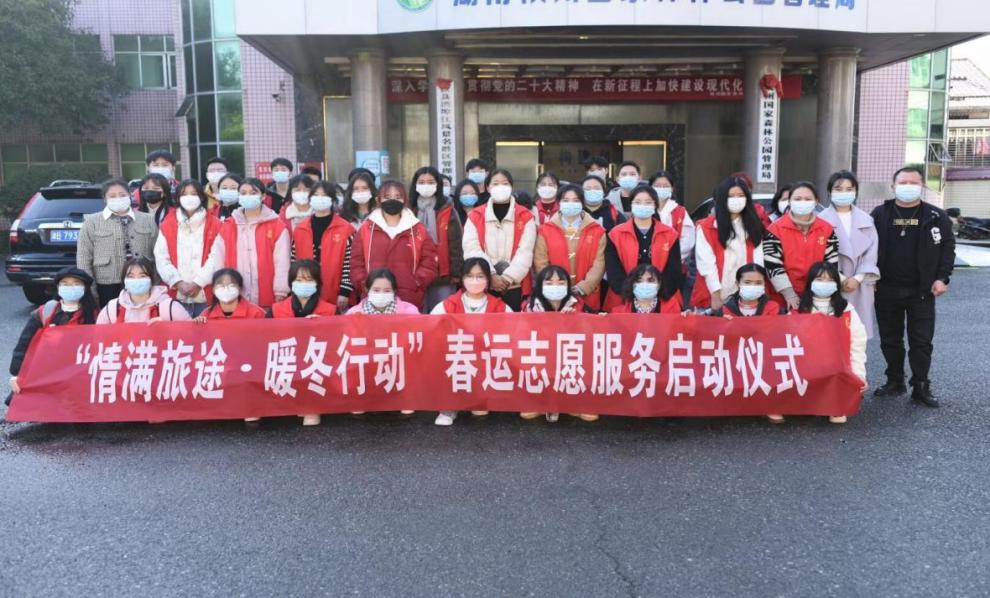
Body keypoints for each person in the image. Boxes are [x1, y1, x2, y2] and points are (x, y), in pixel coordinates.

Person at [871, 166, 955, 407]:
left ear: (922, 186)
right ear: (893, 186)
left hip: (922, 290)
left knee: (921, 342)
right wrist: (869, 277)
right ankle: (894, 380)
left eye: (914, 183)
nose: (908, 187)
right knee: (890, 339)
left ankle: (921, 386)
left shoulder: (936, 216)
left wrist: (942, 278)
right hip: (885, 288)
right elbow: (867, 247)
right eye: (903, 182)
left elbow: (947, 248)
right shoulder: (880, 214)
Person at [767, 262, 867, 425]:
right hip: (803, 366)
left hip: (835, 366)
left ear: (837, 284)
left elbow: (857, 343)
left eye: (830, 280)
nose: (824, 284)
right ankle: (784, 404)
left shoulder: (846, 309)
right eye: (820, 279)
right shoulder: (798, 308)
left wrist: (859, 375)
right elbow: (783, 342)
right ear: (810, 282)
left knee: (840, 406)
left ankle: (834, 403)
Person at [430, 258, 512, 427]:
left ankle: (482, 397)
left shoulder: (499, 306)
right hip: (457, 358)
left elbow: (515, 332)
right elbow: (430, 330)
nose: (475, 280)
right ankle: (448, 406)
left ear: (488, 279)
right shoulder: (448, 305)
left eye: (480, 276)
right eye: (470, 276)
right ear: (462, 278)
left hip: (487, 359)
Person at [266, 259, 337, 427]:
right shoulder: (276, 310)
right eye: (298, 280)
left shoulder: (330, 310)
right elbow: (264, 338)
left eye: (309, 280)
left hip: (315, 361)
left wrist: (323, 328)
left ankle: (312, 406)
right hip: (287, 358)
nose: (303, 284)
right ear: (291, 283)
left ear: (317, 283)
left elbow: (338, 341)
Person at [8, 267, 97, 400]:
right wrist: (17, 373)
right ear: (58, 288)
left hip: (81, 372)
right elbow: (24, 344)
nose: (70, 288)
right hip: (48, 371)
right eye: (65, 284)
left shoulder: (95, 315)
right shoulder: (45, 312)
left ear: (85, 288)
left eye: (76, 284)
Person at [349, 180, 438, 310]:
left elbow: (429, 262)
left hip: (409, 298)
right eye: (387, 197)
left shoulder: (418, 229)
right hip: (373, 298)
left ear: (404, 200)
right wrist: (365, 284)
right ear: (379, 199)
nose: (392, 200)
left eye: (397, 197)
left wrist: (417, 282)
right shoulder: (366, 229)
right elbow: (356, 262)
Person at [462, 168, 537, 311]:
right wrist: (490, 275)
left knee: (513, 322)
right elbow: (471, 248)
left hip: (514, 285)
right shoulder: (476, 216)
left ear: (511, 187)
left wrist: (507, 278)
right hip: (484, 283)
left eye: (505, 183)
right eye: (495, 184)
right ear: (488, 187)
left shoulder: (525, 216)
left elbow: (525, 252)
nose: (500, 187)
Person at [77, 178, 159, 307]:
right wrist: (89, 289)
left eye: (122, 195)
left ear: (129, 195)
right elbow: (83, 257)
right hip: (107, 284)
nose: (118, 199)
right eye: (112, 196)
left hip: (141, 281)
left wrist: (156, 283)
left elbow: (159, 253)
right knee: (111, 316)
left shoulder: (147, 219)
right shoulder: (92, 222)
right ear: (105, 199)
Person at [213, 177, 291, 309]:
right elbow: (218, 258)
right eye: (243, 193)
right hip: (233, 296)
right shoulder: (228, 225)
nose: (248, 196)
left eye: (253, 193)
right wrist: (220, 286)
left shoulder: (277, 226)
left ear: (263, 196)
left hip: (267, 296)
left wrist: (281, 290)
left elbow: (282, 262)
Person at [521, 265, 586, 423]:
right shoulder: (529, 307)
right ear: (540, 285)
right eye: (549, 283)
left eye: (561, 283)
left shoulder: (578, 305)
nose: (555, 287)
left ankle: (569, 401)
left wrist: (574, 321)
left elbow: (589, 336)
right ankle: (542, 402)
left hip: (569, 358)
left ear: (568, 285)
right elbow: (522, 335)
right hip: (541, 356)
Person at [818, 170, 880, 338]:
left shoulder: (866, 220)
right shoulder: (820, 220)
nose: (843, 193)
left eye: (849, 189)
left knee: (857, 336)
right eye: (838, 189)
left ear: (855, 192)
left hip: (860, 284)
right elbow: (819, 254)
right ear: (829, 192)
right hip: (830, 281)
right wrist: (841, 278)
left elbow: (871, 253)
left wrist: (857, 278)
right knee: (831, 335)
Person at [691, 176, 767, 311]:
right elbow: (706, 265)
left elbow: (758, 261)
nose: (736, 199)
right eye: (731, 196)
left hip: (747, 294)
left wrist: (755, 289)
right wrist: (716, 294)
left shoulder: (754, 225)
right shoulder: (707, 227)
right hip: (713, 295)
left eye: (741, 195)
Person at [604, 184, 683, 312]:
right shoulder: (615, 234)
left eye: (648, 202)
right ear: (631, 205)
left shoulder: (670, 234)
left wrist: (658, 293)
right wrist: (630, 293)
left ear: (655, 205)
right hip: (623, 301)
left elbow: (673, 271)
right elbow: (614, 271)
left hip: (664, 301)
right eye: (638, 202)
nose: (643, 206)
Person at [764, 181, 839, 310]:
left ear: (816, 201)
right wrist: (789, 294)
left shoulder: (826, 229)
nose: (802, 202)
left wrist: (821, 291)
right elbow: (773, 265)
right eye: (797, 199)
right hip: (782, 298)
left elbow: (831, 264)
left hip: (817, 296)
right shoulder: (775, 229)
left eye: (808, 199)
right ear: (790, 201)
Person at [154, 179, 222, 317]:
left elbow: (216, 257)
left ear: (201, 197)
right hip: (176, 296)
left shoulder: (215, 224)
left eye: (194, 193)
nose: (189, 197)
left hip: (205, 294)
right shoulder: (168, 223)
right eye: (184, 194)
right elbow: (161, 258)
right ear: (178, 198)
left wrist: (198, 283)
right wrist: (177, 282)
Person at [533, 183, 606, 311]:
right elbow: (540, 261)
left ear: (583, 203)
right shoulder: (545, 230)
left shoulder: (597, 230)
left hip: (588, 294)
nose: (570, 204)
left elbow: (600, 263)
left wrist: (585, 286)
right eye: (566, 200)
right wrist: (554, 284)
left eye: (576, 200)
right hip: (555, 293)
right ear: (559, 203)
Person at [292, 180, 354, 313]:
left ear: (332, 200)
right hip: (305, 292)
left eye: (324, 195)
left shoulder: (346, 229)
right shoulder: (300, 229)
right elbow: (293, 261)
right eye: (316, 195)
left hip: (335, 293)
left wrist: (345, 291)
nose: (320, 198)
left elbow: (349, 263)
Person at [410, 166, 463, 287]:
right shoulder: (409, 210)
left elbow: (456, 244)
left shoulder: (447, 209)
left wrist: (456, 273)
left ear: (438, 185)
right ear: (415, 185)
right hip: (413, 271)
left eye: (430, 182)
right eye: (421, 182)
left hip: (443, 273)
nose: (426, 185)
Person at [96, 256, 191, 323]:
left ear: (151, 280)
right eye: (131, 276)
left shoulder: (169, 307)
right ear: (124, 281)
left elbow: (190, 333)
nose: (136, 280)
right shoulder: (112, 309)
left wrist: (167, 328)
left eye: (142, 276)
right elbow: (99, 337)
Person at [648, 171, 695, 264]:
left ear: (672, 188)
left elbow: (687, 240)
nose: (661, 188)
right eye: (657, 186)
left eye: (665, 186)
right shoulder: (644, 209)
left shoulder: (680, 212)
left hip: (673, 262)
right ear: (650, 187)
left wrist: (669, 257)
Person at [708, 263, 785, 318]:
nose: (753, 286)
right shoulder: (724, 310)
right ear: (738, 283)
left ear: (764, 284)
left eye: (758, 283)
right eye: (747, 282)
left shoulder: (774, 309)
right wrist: (724, 324)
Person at [195, 269, 267, 321]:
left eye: (231, 285)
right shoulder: (206, 315)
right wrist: (198, 324)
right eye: (221, 285)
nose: (226, 289)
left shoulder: (256, 313)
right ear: (213, 290)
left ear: (239, 288)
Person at [611, 263, 682, 315]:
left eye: (650, 281)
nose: (644, 285)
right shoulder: (619, 313)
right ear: (632, 284)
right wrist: (606, 320)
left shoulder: (672, 308)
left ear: (659, 284)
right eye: (639, 281)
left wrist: (685, 318)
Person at [346, 267, 421, 315]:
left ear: (394, 291)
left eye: (387, 291)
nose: (381, 294)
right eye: (376, 290)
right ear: (367, 290)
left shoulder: (410, 312)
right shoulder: (353, 313)